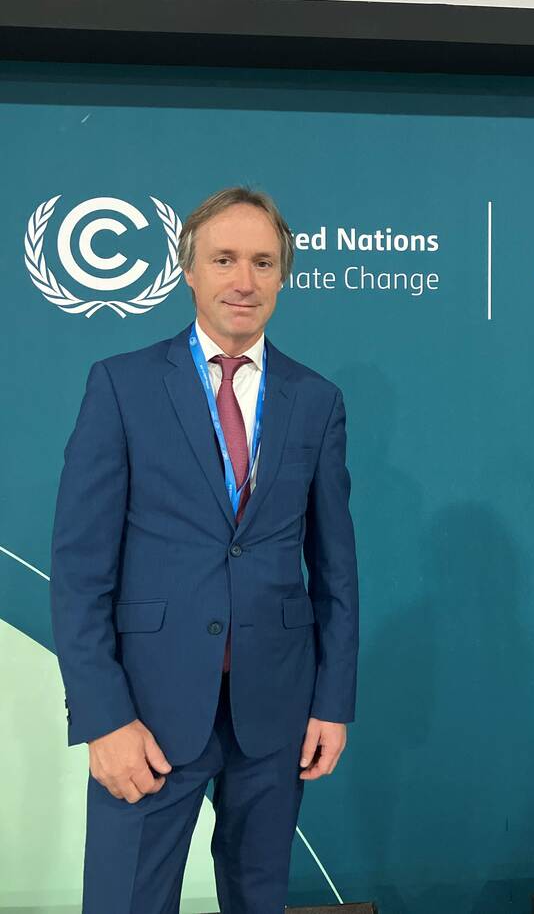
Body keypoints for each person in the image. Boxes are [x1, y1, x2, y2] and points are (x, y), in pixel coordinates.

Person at [49, 186, 359, 913]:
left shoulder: (316, 400)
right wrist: (101, 715)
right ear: (188, 269)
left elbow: (336, 568)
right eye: (224, 259)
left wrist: (332, 700)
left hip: (275, 711)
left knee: (259, 901)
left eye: (261, 261)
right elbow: (79, 570)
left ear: (283, 274)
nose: (243, 280)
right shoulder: (120, 386)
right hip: (146, 715)